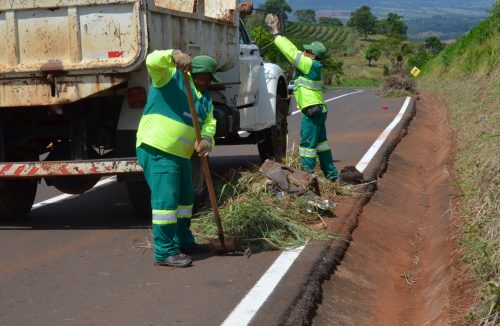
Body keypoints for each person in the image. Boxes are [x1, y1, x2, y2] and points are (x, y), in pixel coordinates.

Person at [136, 49, 218, 267]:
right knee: (166, 203)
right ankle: (164, 252)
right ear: (193, 73)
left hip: (182, 154)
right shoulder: (171, 77)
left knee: (185, 200)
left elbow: (209, 123)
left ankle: (184, 241)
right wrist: (172, 54)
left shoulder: (205, 100)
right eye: (202, 77)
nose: (205, 82)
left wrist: (208, 139)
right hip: (158, 148)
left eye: (209, 79)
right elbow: (151, 61)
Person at [265, 14, 339, 181]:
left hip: (312, 111)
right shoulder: (313, 65)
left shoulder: (309, 64)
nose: (303, 52)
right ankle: (332, 175)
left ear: (312, 55)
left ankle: (306, 177)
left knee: (307, 146)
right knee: (322, 145)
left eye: (307, 51)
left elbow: (291, 52)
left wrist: (276, 33)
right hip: (319, 109)